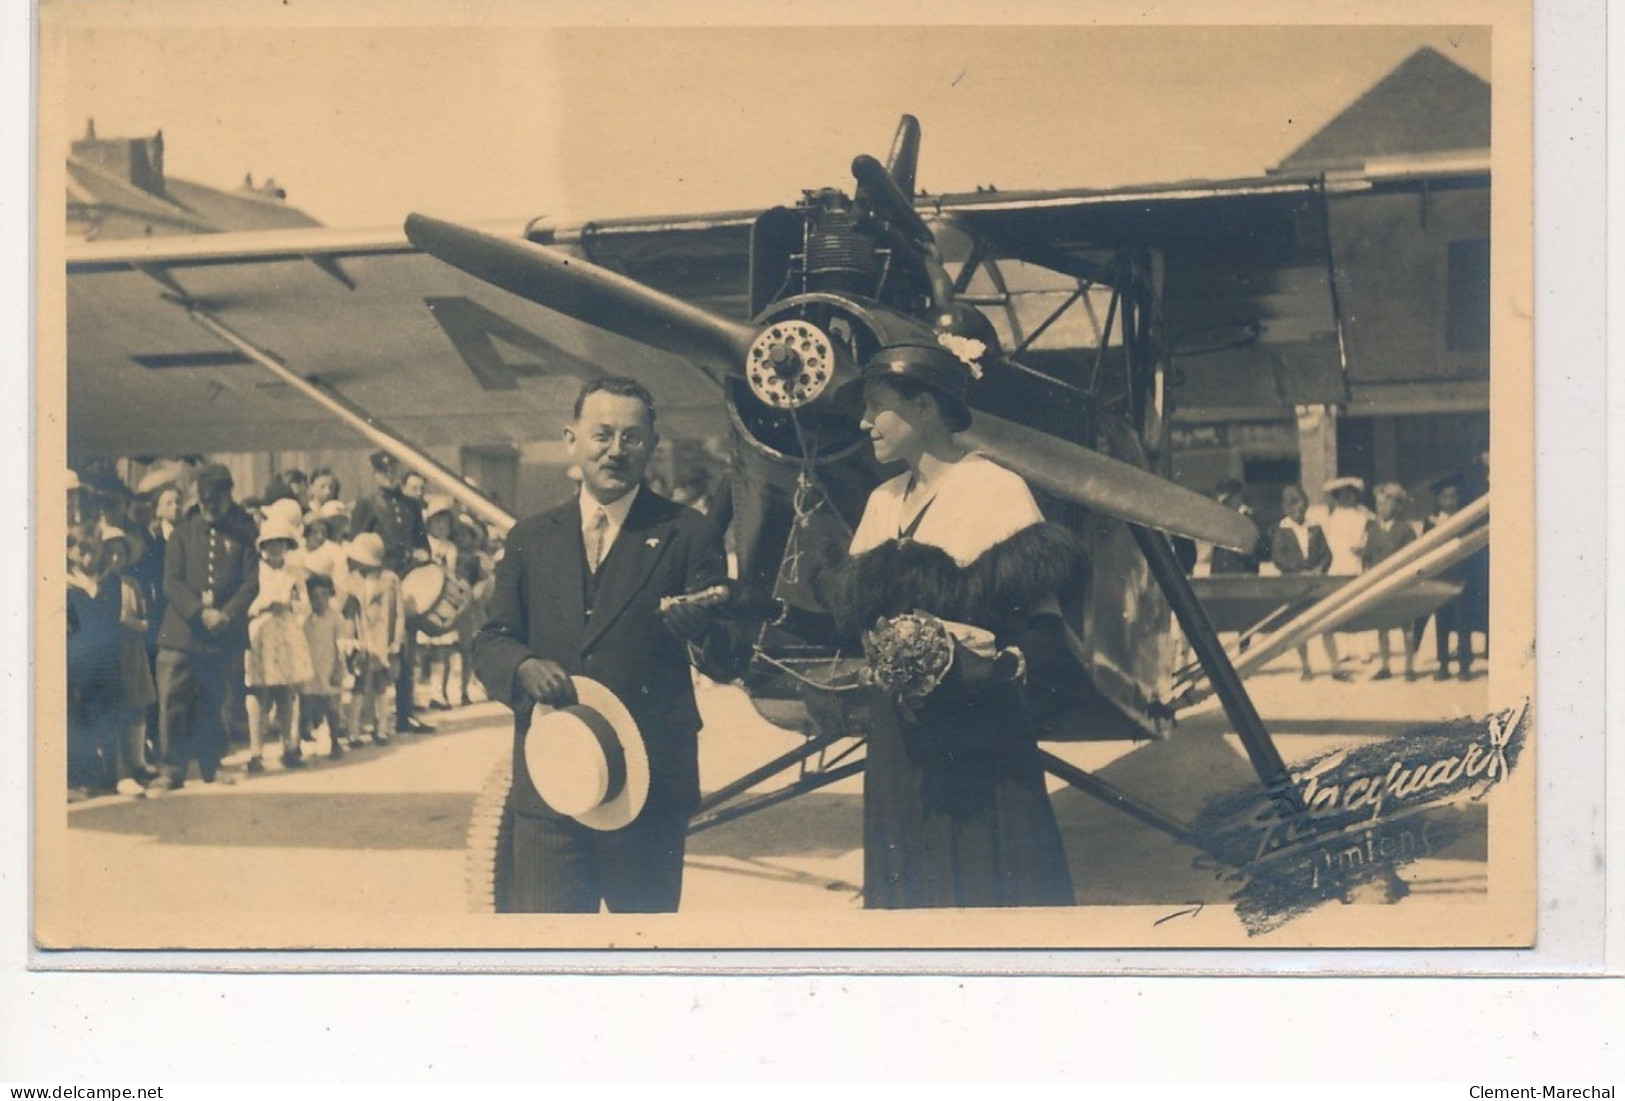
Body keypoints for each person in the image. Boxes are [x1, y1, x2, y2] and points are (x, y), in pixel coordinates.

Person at [816, 342, 1079, 910]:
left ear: (927, 407)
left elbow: (1046, 631)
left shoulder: (995, 489)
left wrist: (998, 662)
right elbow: (861, 623)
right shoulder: (882, 501)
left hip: (979, 733)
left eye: (877, 406)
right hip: (900, 740)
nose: (864, 423)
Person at [473, 377, 729, 913]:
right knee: (550, 957)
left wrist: (701, 632)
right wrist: (522, 667)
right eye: (602, 434)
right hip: (551, 783)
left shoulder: (689, 532)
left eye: (632, 437)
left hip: (649, 787)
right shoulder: (530, 537)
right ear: (572, 439)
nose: (616, 450)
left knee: (645, 952)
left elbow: (727, 651)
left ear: (652, 445)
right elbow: (492, 640)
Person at [148, 464, 260, 793]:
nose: (210, 510)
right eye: (205, 503)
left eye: (217, 503)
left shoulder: (244, 530)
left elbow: (252, 581)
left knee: (214, 699)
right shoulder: (184, 530)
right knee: (172, 700)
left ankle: (212, 764)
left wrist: (226, 615)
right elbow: (171, 580)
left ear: (229, 496)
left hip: (221, 633)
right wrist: (200, 612)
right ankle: (171, 769)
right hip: (182, 631)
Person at [349, 452, 431, 734]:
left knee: (405, 648)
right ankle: (371, 718)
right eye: (384, 471)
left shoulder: (410, 504)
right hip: (379, 584)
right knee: (374, 651)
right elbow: (356, 547)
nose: (389, 475)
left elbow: (423, 542)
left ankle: (404, 715)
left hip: (406, 583)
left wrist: (423, 553)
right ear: (375, 473)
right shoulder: (366, 505)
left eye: (393, 469)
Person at [243, 518, 315, 772]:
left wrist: (290, 607)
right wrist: (262, 605)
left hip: (285, 633)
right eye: (270, 544)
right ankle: (255, 752)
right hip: (260, 633)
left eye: (280, 544)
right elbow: (244, 602)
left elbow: (305, 605)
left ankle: (289, 746)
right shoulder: (255, 571)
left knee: (286, 691)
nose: (275, 550)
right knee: (256, 691)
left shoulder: (293, 573)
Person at [1271, 485, 1347, 681]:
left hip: (1316, 582)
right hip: (1294, 585)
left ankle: (1336, 667)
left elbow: (1327, 554)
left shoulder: (1315, 527)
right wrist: (1298, 571)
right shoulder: (1282, 529)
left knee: (1326, 624)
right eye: (1293, 507)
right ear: (1286, 508)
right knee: (1299, 627)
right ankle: (1306, 667)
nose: (1298, 511)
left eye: (1302, 506)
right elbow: (1279, 558)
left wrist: (1319, 569)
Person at [343, 533, 406, 745]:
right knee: (359, 684)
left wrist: (396, 640)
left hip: (382, 639)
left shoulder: (390, 580)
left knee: (381, 684)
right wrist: (350, 639)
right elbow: (350, 613)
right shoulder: (353, 580)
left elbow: (398, 613)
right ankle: (354, 731)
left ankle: (382, 728)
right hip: (362, 639)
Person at [1361, 483, 1419, 681]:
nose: (1381, 508)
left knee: (1407, 627)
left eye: (1386, 504)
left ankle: (1409, 667)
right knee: (1382, 625)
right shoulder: (1374, 529)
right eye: (1378, 504)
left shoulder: (1405, 529)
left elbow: (1412, 556)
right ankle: (1385, 666)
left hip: (1401, 584)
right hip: (1379, 584)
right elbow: (1367, 554)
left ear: (1398, 506)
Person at [300, 573, 348, 757]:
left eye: (323, 596)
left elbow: (341, 644)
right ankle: (301, 739)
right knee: (306, 705)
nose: (319, 600)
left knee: (331, 706)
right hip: (308, 670)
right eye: (314, 597)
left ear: (330, 595)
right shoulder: (305, 619)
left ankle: (335, 742)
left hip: (329, 667)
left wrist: (338, 667)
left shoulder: (336, 618)